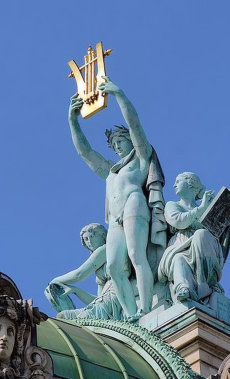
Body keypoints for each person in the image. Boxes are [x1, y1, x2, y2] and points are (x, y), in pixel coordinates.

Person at [68, 77, 165, 320]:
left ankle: (145, 308)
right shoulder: (111, 170)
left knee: (136, 255)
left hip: (134, 205)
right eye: (114, 144)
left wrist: (119, 94)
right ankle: (131, 314)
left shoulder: (140, 158)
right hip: (114, 218)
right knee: (113, 267)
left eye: (121, 141)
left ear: (130, 141)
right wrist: (73, 121)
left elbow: (135, 125)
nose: (118, 146)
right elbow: (85, 153)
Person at [158, 172, 225, 303]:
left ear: (191, 184)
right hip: (181, 245)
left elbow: (219, 229)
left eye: (178, 181)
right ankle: (184, 288)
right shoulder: (173, 205)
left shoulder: (206, 207)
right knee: (178, 260)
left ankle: (205, 283)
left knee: (201, 234)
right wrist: (201, 208)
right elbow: (178, 221)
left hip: (206, 247)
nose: (174, 184)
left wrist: (225, 205)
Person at [45, 223, 127, 320]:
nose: (89, 241)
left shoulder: (106, 249)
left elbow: (79, 275)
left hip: (117, 294)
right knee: (65, 316)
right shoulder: (100, 268)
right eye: (86, 239)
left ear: (103, 235)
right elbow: (97, 299)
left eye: (92, 236)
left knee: (66, 317)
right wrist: (76, 290)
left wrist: (54, 281)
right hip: (109, 299)